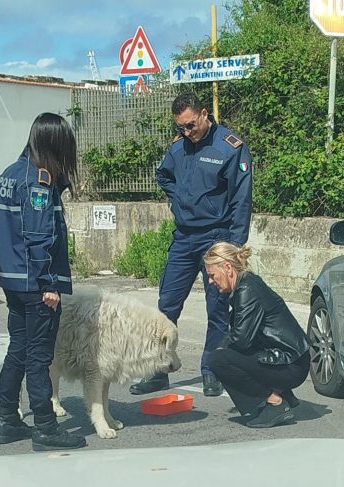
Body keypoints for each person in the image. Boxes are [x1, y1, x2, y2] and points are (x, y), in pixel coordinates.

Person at [130, 93, 253, 396]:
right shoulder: (178, 147)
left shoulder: (230, 147)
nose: (186, 132)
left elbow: (241, 199)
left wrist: (234, 247)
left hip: (216, 238)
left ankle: (212, 370)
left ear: (202, 114)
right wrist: (178, 201)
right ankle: (159, 370)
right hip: (184, 238)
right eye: (181, 127)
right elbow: (163, 175)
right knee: (166, 305)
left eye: (189, 125)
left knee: (218, 308)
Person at [0, 113, 86, 451]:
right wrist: (48, 283)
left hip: (14, 281)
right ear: (53, 145)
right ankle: (45, 426)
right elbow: (37, 235)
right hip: (37, 284)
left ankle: (7, 418)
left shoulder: (9, 175)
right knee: (39, 356)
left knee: (18, 349)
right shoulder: (37, 182)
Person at [204, 242, 311, 428]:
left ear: (227, 268)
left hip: (290, 364)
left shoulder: (247, 289)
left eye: (212, 275)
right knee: (223, 353)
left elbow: (242, 340)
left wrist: (221, 350)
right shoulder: (247, 284)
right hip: (291, 360)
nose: (210, 281)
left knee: (217, 361)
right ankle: (282, 394)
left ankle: (274, 402)